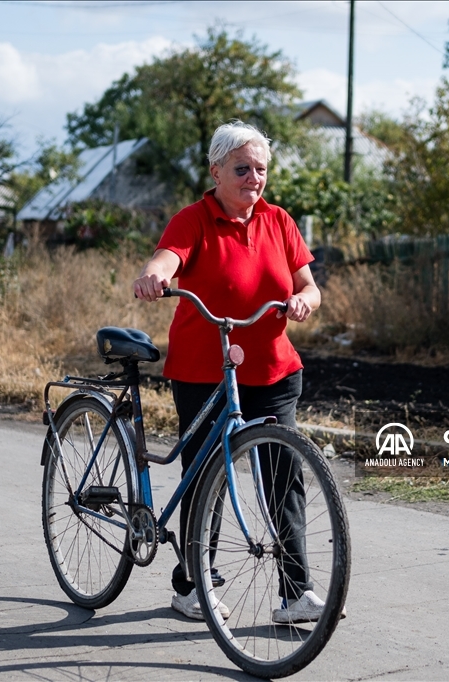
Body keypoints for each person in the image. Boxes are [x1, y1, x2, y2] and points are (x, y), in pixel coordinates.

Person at [133, 121, 326, 623]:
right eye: (242, 168)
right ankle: (194, 584)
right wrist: (156, 276)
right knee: (206, 477)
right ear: (216, 170)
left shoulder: (279, 221)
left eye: (261, 169)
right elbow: (168, 257)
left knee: (284, 477)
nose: (254, 178)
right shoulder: (193, 219)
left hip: (274, 370)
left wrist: (304, 300)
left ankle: (295, 592)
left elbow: (309, 285)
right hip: (205, 371)